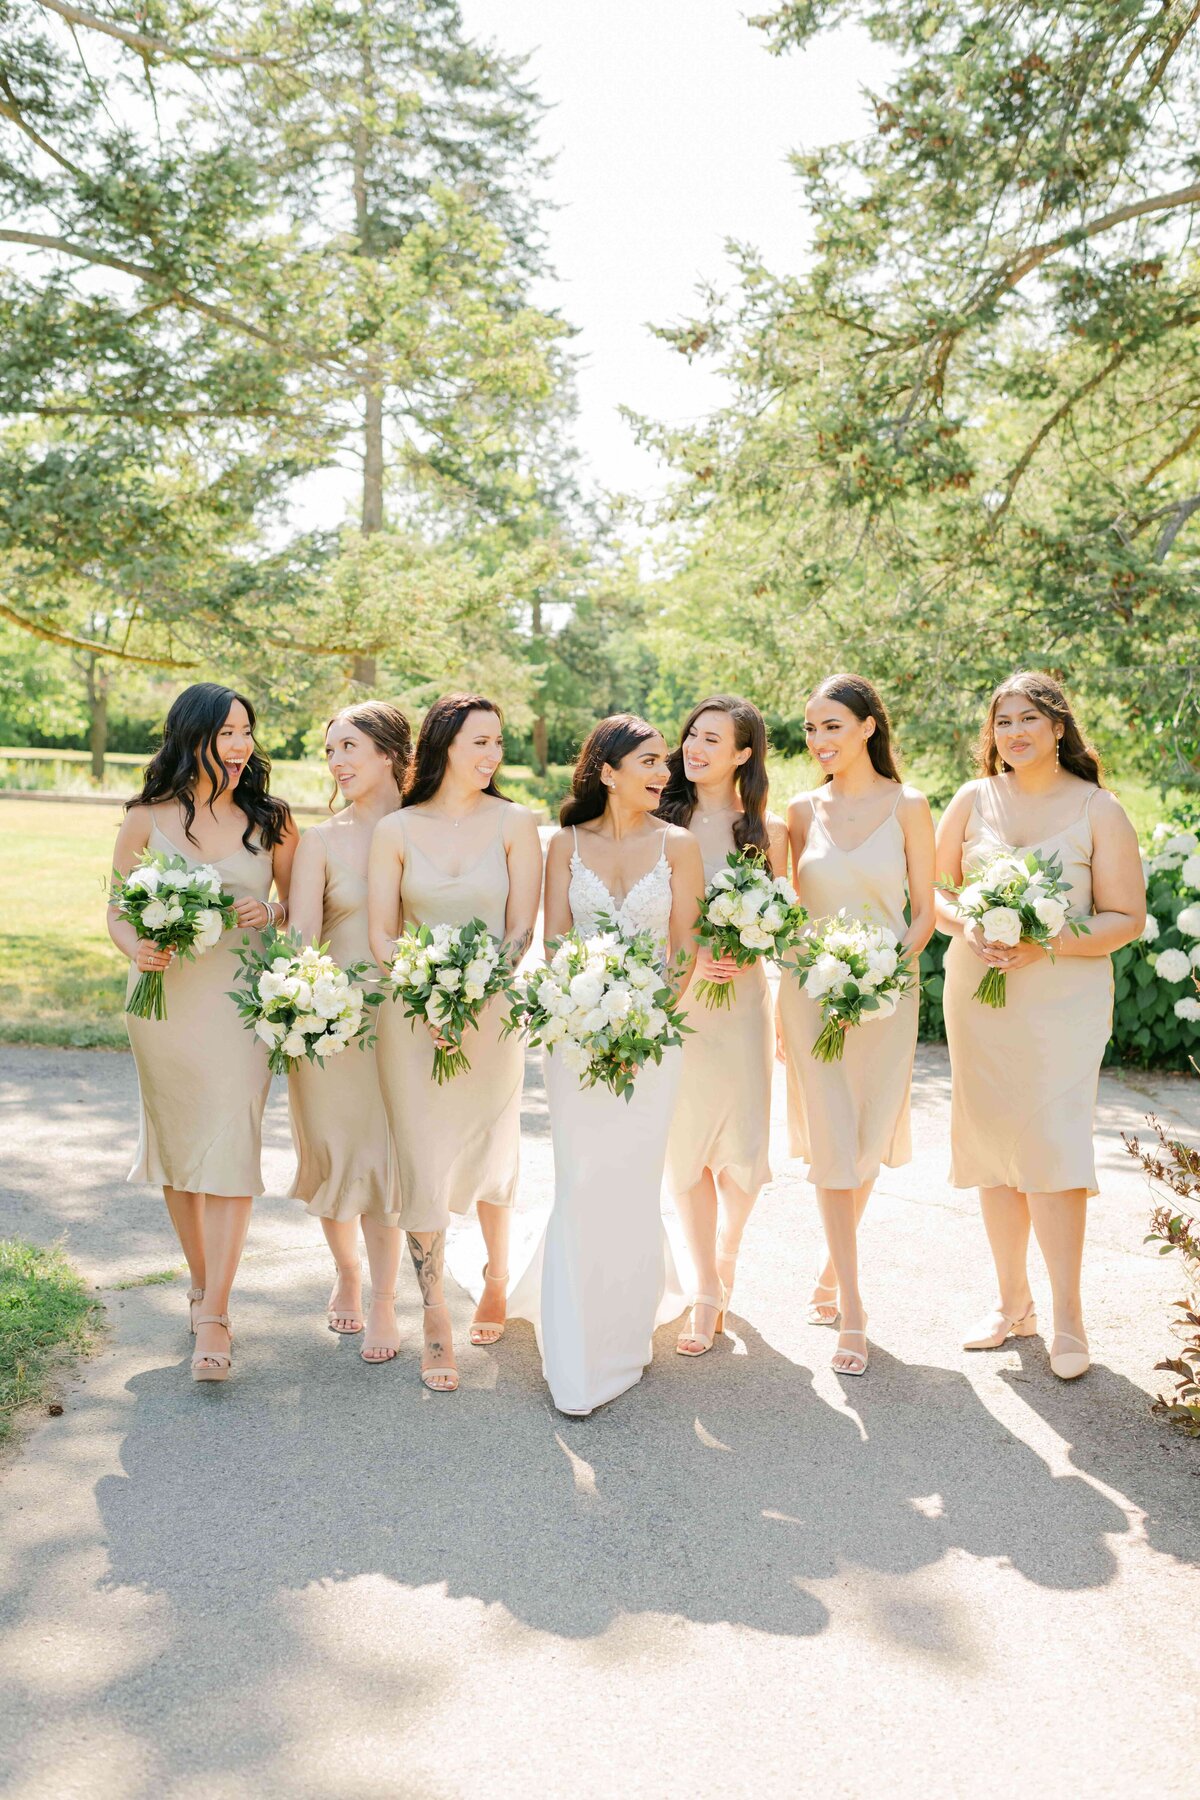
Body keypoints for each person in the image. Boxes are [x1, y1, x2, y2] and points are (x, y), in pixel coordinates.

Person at [935, 671, 1144, 1379]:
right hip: (980, 995)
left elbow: (1126, 918)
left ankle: (1067, 1317)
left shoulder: (1099, 809)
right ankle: (1010, 1304)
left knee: (1053, 1149)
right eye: (1002, 722)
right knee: (994, 1147)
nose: (1014, 733)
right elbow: (933, 891)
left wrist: (1039, 943)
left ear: (1059, 727)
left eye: (1029, 719)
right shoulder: (971, 800)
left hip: (1063, 1000)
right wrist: (967, 922)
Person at [509, 714, 705, 1415]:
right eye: (649, 761)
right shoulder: (564, 845)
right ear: (607, 770)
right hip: (573, 1033)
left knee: (630, 1175)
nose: (664, 773)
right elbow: (557, 943)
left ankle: (623, 1326)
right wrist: (587, 1012)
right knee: (581, 1172)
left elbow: (684, 950)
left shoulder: (679, 846)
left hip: (653, 1038)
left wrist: (643, 1015)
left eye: (666, 763)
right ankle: (575, 1341)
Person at [108, 682, 297, 1382]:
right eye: (226, 732)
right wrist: (136, 947)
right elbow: (117, 909)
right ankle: (201, 1285)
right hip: (165, 1004)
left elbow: (299, 910)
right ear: (191, 738)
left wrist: (268, 913)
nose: (241, 744)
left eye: (246, 730)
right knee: (183, 1149)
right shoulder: (144, 819)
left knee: (232, 1142)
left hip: (242, 1004)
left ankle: (216, 1312)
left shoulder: (271, 819)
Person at [367, 695, 541, 1391]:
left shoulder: (515, 822)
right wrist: (425, 993)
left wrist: (471, 993)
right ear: (444, 745)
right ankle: (434, 1313)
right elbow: (384, 933)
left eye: (499, 742)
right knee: (422, 1154)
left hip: (491, 1013)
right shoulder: (397, 830)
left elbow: (521, 929)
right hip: (411, 1017)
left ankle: (497, 1276)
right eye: (481, 742)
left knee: (493, 1148)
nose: (494, 755)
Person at [778, 674, 935, 1376]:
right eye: (811, 729)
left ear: (868, 727)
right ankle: (854, 1303)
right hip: (812, 994)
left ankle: (828, 1269)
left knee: (866, 1137)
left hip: (888, 994)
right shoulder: (799, 811)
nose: (819, 742)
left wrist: (881, 972)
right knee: (834, 1140)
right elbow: (786, 912)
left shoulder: (910, 806)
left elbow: (926, 911)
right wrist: (802, 978)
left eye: (832, 726)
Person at [657, 695, 788, 1355]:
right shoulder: (658, 819)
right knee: (688, 1151)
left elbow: (785, 915)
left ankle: (727, 1251)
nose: (695, 747)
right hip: (681, 1003)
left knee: (740, 1157)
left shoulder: (768, 831)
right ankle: (705, 1287)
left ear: (744, 753)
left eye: (713, 739)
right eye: (692, 735)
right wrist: (692, 952)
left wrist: (750, 946)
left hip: (741, 1008)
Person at [287, 702, 410, 1363]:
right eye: (329, 749)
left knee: (384, 1164)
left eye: (348, 747)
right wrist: (297, 1003)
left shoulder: (426, 831)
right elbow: (302, 932)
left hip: (404, 1021)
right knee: (336, 1155)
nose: (335, 762)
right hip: (330, 1025)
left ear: (389, 754)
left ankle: (387, 1300)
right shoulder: (320, 841)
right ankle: (348, 1272)